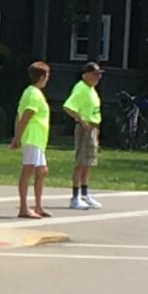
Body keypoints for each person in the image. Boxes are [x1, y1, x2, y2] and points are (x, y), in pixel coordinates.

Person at [10, 61, 52, 219]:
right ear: (42, 77)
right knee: (27, 171)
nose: (48, 79)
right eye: (47, 76)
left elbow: (18, 115)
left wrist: (17, 134)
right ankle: (23, 208)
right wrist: (18, 137)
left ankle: (39, 206)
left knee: (42, 171)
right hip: (33, 137)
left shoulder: (31, 92)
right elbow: (26, 115)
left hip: (39, 139)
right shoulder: (33, 94)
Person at [63, 62, 104, 210]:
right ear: (86, 75)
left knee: (88, 162)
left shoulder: (91, 90)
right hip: (84, 128)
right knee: (81, 162)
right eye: (95, 74)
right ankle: (75, 197)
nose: (98, 77)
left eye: (99, 74)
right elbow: (68, 106)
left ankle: (85, 194)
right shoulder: (81, 88)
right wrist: (80, 120)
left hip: (93, 128)